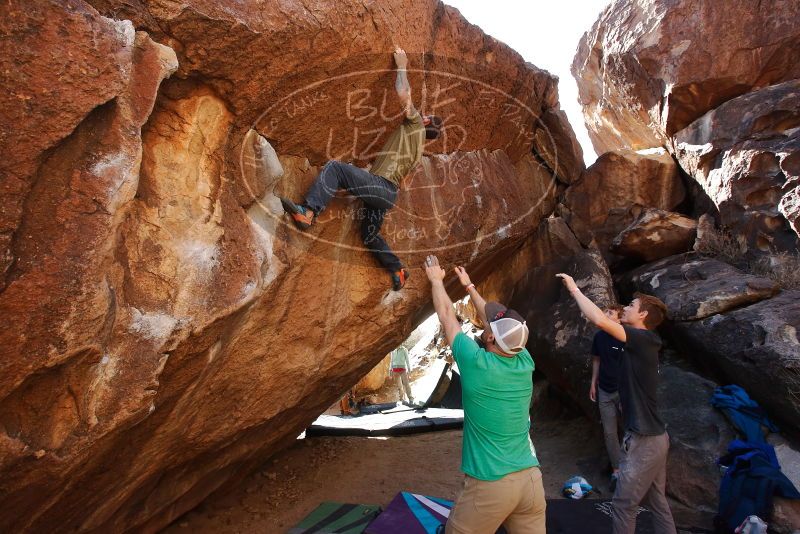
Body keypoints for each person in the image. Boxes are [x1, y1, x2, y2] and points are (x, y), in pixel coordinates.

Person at [280, 47, 443, 291]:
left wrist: (401, 65)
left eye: (425, 114)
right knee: (369, 234)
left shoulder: (416, 123)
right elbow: (405, 181)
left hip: (381, 188)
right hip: (387, 195)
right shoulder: (418, 149)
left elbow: (404, 94)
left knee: (336, 169)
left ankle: (309, 212)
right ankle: (397, 269)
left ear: (426, 121)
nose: (422, 113)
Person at [424, 255, 545, 534]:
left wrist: (435, 280)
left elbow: (446, 316)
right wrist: (470, 287)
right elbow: (499, 326)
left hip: (491, 484)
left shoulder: (476, 363)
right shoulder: (524, 359)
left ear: (489, 338)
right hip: (530, 479)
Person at [556, 273, 676, 534]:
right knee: (657, 502)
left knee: (623, 505)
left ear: (643, 315)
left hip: (645, 441)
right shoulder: (642, 342)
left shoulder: (643, 339)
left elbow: (599, 319)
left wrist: (575, 289)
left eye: (632, 306)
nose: (626, 308)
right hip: (655, 437)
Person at [589, 305, 625, 490]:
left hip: (623, 390)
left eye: (610, 313)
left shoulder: (626, 336)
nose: (605, 315)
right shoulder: (599, 336)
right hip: (604, 389)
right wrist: (593, 382)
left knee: (630, 430)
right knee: (609, 432)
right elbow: (597, 359)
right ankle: (616, 470)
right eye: (606, 312)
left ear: (619, 319)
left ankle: (632, 469)